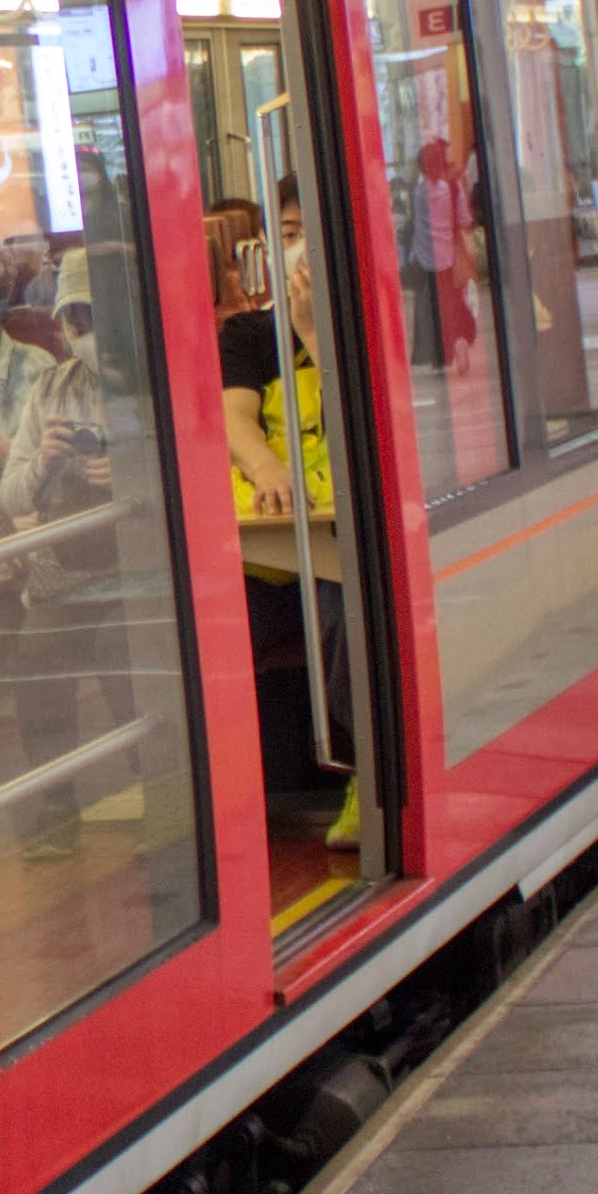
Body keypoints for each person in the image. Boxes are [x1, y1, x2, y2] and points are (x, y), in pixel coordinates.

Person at [223, 234, 361, 850]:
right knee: (219, 631)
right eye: (284, 230)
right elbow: (233, 418)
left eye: (310, 227)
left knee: (344, 619)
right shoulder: (248, 336)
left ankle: (364, 771)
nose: (299, 244)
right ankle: (223, 791)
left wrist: (313, 337)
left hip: (339, 547)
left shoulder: (361, 331)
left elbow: (355, 426)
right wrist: (268, 472)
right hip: (268, 542)